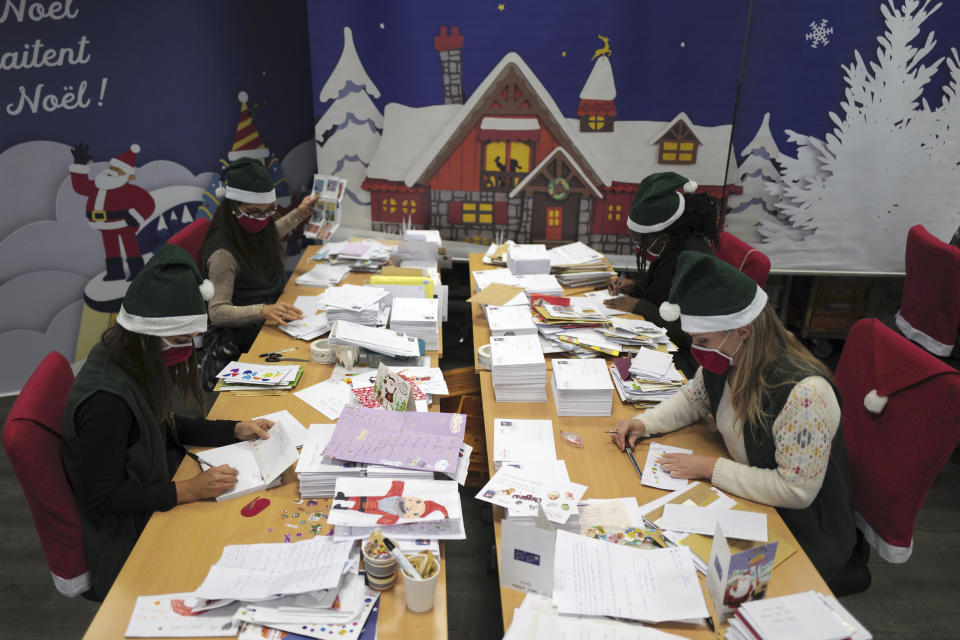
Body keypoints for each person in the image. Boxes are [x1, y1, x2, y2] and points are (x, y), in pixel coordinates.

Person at [611, 252, 858, 584]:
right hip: (749, 502)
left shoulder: (804, 393)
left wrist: (709, 468)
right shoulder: (727, 356)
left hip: (803, 531)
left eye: (704, 341)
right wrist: (645, 423)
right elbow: (693, 399)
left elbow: (796, 491)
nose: (698, 351)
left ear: (742, 331)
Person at [61, 245, 276, 600]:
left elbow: (164, 425)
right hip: (128, 539)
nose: (187, 351)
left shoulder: (129, 359)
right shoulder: (106, 403)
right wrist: (190, 490)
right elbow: (102, 496)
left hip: (156, 489)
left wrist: (233, 429)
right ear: (147, 334)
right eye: (179, 341)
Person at [200, 157, 318, 353]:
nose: (262, 219)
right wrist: (261, 310)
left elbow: (269, 234)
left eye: (269, 211)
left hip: (270, 310)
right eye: (254, 212)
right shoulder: (223, 255)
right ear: (233, 207)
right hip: (243, 333)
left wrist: (299, 214)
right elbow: (217, 312)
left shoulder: (248, 227)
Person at [606, 172, 718, 371]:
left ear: (663, 237)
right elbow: (665, 289)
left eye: (641, 241)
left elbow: (692, 335)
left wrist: (640, 306)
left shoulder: (697, 263)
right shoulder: (673, 246)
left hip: (688, 361)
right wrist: (636, 287)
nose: (638, 247)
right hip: (662, 340)